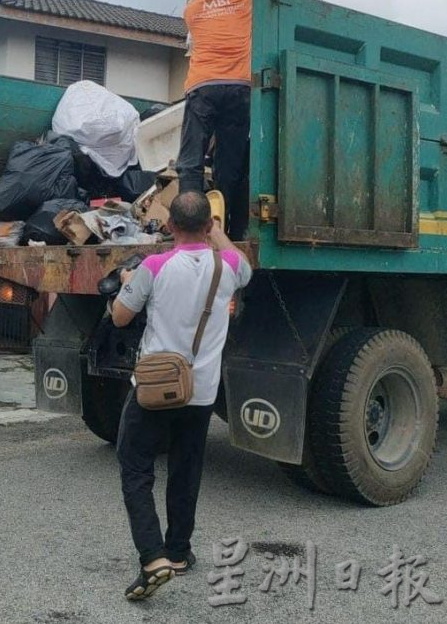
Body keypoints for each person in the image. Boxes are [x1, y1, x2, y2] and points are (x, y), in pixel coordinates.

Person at [111, 192, 252, 600]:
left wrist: (126, 284)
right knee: (186, 467)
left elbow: (120, 318)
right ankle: (178, 552)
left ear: (169, 226)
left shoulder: (154, 266)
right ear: (209, 226)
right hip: (201, 390)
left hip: (155, 388)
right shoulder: (227, 267)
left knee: (136, 465)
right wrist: (219, 234)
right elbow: (245, 268)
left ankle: (152, 556)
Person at [177, 0, 267, 241]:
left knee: (191, 159)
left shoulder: (192, 10)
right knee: (231, 164)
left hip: (202, 87)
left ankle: (187, 227)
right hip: (238, 89)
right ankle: (230, 230)